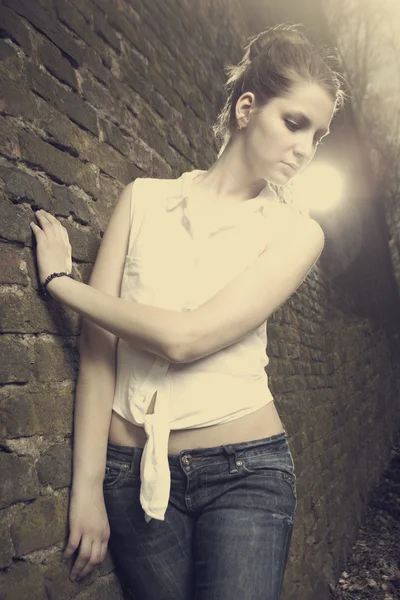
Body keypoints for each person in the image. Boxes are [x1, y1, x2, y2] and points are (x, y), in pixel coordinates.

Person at [30, 23, 346, 600]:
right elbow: (98, 352)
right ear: (248, 108)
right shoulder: (143, 199)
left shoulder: (299, 234)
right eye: (294, 123)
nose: (304, 149)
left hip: (247, 475)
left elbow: (186, 339)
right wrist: (87, 487)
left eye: (318, 135)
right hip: (131, 477)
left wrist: (60, 283)